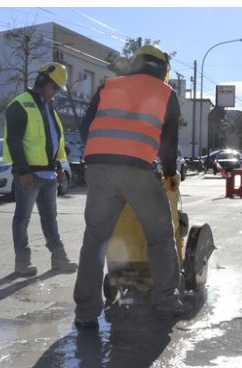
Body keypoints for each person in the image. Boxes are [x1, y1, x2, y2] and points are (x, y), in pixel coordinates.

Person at [73, 44, 187, 329]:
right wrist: (170, 174)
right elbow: (169, 142)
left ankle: (86, 313)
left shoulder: (109, 86)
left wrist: (100, 153)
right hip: (136, 169)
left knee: (95, 240)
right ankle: (165, 301)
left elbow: (85, 126)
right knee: (160, 236)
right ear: (163, 70)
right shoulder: (165, 93)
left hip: (98, 166)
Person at [2, 62, 78, 277]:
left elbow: (52, 142)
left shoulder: (48, 108)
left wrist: (59, 167)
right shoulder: (19, 105)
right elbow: (14, 141)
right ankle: (22, 262)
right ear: (43, 81)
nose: (55, 93)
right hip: (29, 174)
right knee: (22, 218)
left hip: (48, 174)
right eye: (54, 88)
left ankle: (59, 259)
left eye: (58, 90)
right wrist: (23, 171)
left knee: (50, 218)